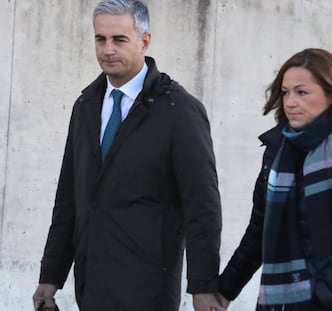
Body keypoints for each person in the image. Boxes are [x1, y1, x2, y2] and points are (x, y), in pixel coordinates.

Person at [32, 1, 224, 310]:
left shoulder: (179, 111)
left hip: (148, 291)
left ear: (144, 41)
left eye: (119, 40)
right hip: (91, 287)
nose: (107, 49)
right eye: (100, 39)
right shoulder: (86, 106)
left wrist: (203, 287)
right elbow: (69, 198)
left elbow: (203, 206)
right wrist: (50, 276)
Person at [216, 48, 332, 311]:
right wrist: (225, 290)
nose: (290, 102)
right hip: (279, 304)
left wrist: (319, 293)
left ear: (331, 95)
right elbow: (258, 233)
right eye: (285, 92)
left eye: (302, 92)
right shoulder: (276, 153)